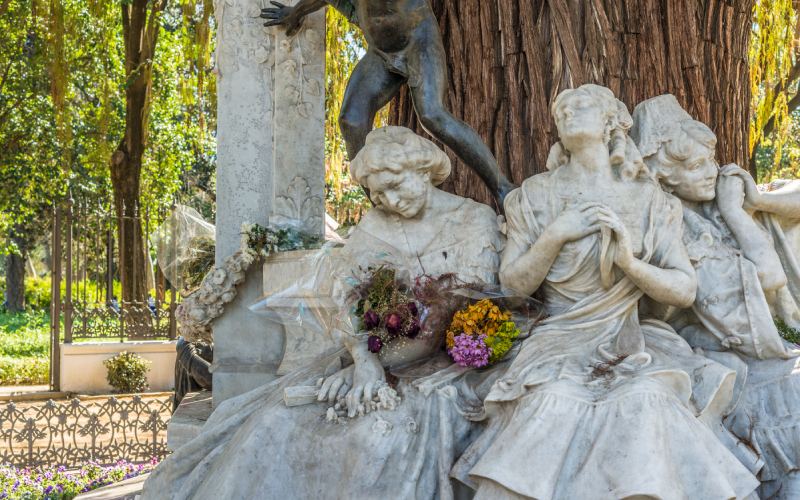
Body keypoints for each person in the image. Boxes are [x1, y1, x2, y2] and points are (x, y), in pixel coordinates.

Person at [141, 127, 505, 499]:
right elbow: (348, 296)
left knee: (376, 438)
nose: (391, 201)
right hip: (373, 358)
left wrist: (387, 363)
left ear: (424, 170)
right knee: (274, 421)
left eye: (397, 185)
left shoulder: (473, 220)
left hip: (448, 363)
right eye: (379, 194)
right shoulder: (377, 224)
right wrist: (363, 360)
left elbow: (467, 307)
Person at [453, 85, 759, 499]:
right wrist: (555, 235)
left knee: (648, 397)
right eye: (562, 110)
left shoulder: (650, 199)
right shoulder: (534, 196)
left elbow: (684, 289)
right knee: (552, 400)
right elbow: (512, 285)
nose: (569, 112)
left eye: (583, 105)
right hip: (557, 339)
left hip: (627, 336)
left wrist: (630, 264)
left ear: (611, 122)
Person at [632, 94, 800, 499]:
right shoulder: (676, 229)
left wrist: (757, 201)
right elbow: (769, 277)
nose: (711, 172)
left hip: (760, 341)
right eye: (694, 166)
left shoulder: (712, 204)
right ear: (664, 177)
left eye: (710, 159)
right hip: (716, 350)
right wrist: (738, 213)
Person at [260, 0, 515, 205]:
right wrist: (295, 13)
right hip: (381, 53)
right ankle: (380, 206)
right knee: (351, 121)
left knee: (432, 115)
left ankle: (503, 189)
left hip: (418, 41)